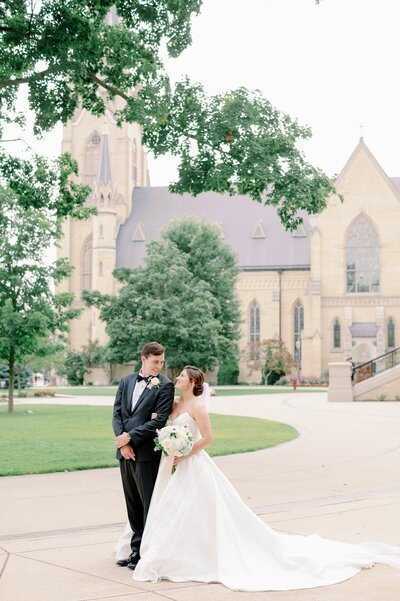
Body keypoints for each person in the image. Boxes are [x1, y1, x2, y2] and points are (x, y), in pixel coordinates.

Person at [118, 365, 400, 592]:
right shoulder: (175, 404)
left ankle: (191, 555)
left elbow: (209, 438)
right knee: (169, 507)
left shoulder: (198, 408)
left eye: (181, 376)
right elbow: (158, 420)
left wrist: (186, 451)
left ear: (192, 382)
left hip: (190, 463)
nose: (175, 377)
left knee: (196, 511)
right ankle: (166, 552)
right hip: (172, 462)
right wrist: (165, 438)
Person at [112, 341, 174, 570]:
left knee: (147, 503)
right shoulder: (126, 381)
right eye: (155, 361)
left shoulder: (165, 386)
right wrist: (122, 443)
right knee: (132, 504)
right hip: (125, 452)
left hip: (146, 454)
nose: (159, 366)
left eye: (161, 362)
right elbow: (117, 413)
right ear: (143, 359)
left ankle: (143, 553)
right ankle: (134, 549)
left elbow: (158, 421)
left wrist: (130, 438)